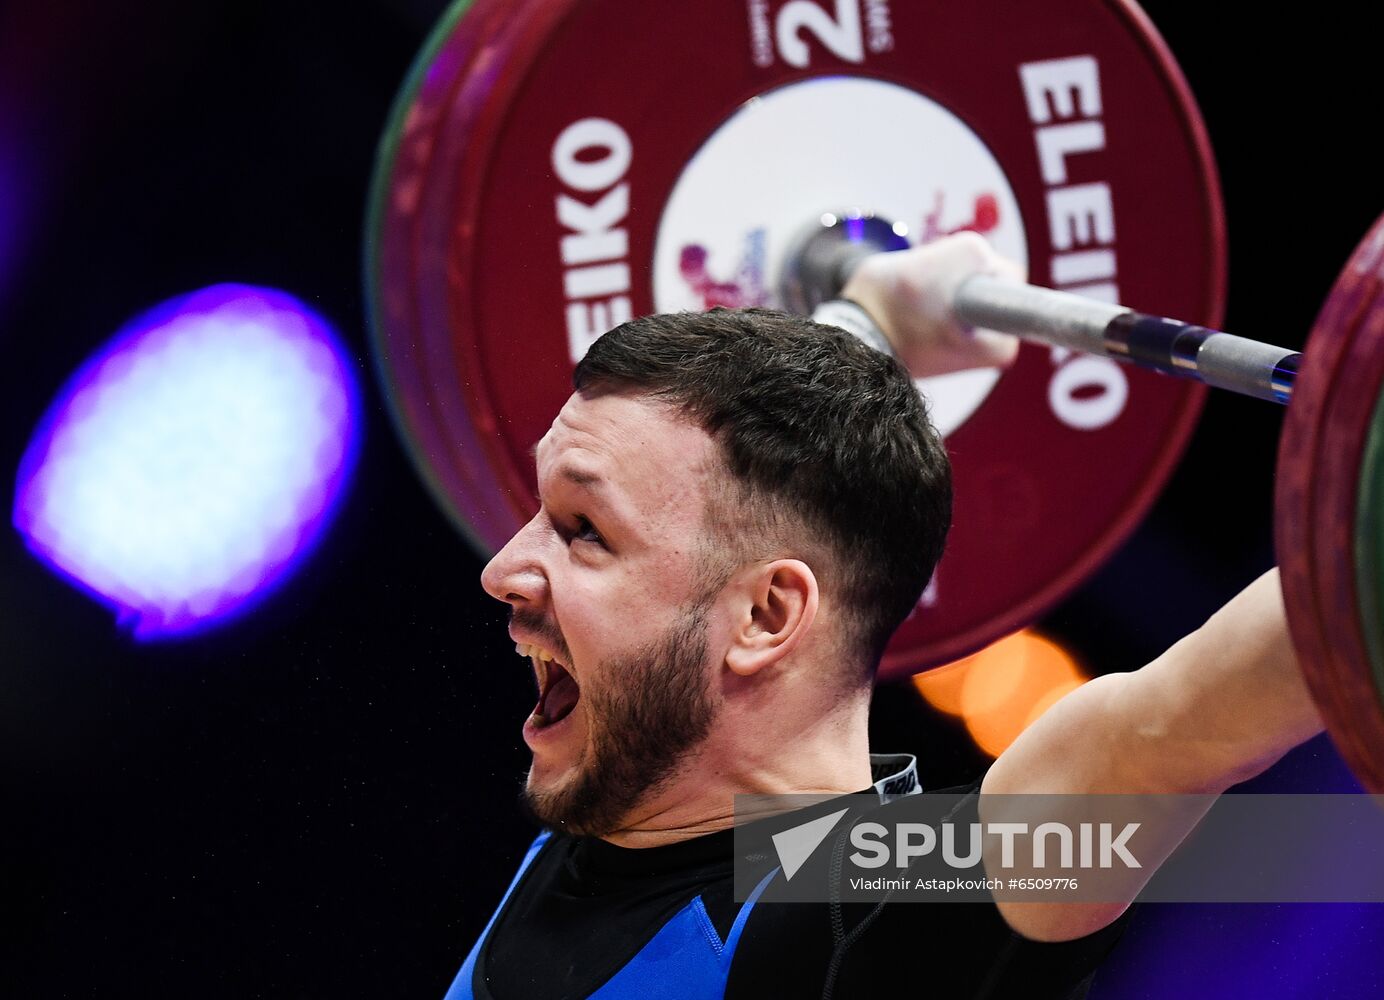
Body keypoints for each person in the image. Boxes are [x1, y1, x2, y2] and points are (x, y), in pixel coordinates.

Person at [443, 234, 1325, 999]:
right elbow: (752, 465)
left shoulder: (864, 895)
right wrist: (872, 314)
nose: (502, 570)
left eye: (584, 531)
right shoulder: (614, 813)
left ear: (766, 615)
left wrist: (1365, 510)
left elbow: (1168, 733)